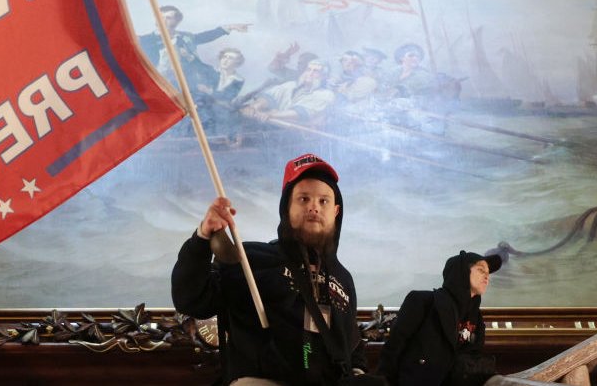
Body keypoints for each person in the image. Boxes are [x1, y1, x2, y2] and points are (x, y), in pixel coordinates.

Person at [172, 154, 378, 385]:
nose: (314, 207)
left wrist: (359, 374)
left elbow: (352, 345)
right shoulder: (251, 259)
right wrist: (202, 238)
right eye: (303, 199)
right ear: (286, 207)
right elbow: (191, 299)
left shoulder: (343, 279)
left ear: (336, 211)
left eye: (323, 201)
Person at [377, 251, 501, 386]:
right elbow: (393, 349)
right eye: (481, 270)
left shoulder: (476, 318)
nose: (487, 277)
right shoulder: (422, 302)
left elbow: (472, 361)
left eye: (488, 273)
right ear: (461, 272)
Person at [138, 5, 250, 89]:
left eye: (168, 17)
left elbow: (206, 36)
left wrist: (230, 27)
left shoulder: (185, 37)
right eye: (160, 17)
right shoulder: (144, 40)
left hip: (185, 85)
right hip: (155, 84)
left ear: (177, 21)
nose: (162, 20)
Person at [241, 59, 336, 127]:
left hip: (296, 136)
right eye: (308, 69)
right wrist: (254, 107)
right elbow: (268, 97)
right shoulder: (290, 85)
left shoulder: (326, 95)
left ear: (324, 76)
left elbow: (300, 113)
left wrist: (271, 114)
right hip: (272, 126)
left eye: (316, 71)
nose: (310, 73)